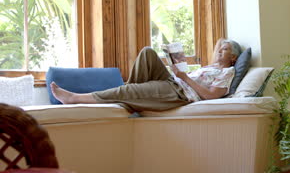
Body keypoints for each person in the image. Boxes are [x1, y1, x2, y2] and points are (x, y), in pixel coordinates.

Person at [50, 39, 242, 112]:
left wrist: (184, 77)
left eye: (224, 50)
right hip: (173, 81)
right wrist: (178, 67)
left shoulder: (227, 72)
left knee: (131, 89)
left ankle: (74, 98)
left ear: (233, 58)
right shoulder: (208, 67)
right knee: (147, 53)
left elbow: (210, 95)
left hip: (178, 92)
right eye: (218, 49)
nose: (218, 52)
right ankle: (130, 98)